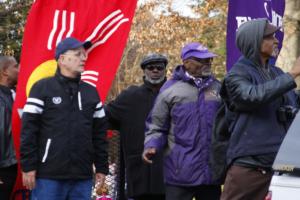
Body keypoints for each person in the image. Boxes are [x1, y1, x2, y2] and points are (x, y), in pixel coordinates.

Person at [220, 19, 300, 200]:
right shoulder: (236, 75)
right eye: (270, 36)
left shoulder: (276, 73)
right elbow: (251, 96)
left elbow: (293, 102)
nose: (276, 40)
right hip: (249, 168)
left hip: (280, 167)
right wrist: (293, 73)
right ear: (254, 41)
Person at [20, 37, 108, 200]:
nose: (84, 58)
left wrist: (102, 167)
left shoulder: (91, 92)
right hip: (48, 176)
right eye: (78, 54)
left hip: (82, 176)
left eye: (84, 54)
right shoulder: (41, 88)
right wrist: (28, 166)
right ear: (62, 59)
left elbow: (99, 134)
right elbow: (28, 130)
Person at [143, 42, 222, 200]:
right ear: (186, 63)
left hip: (211, 174)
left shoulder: (218, 87)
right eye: (202, 60)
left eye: (209, 60)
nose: (208, 63)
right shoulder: (169, 90)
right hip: (179, 173)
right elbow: (156, 125)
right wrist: (151, 145)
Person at [105, 53, 167, 200]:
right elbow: (105, 117)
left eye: (159, 67)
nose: (155, 70)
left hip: (169, 173)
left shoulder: (174, 94)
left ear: (165, 70)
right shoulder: (130, 97)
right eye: (150, 67)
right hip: (139, 174)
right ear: (144, 71)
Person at [0, 56, 19, 200]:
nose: (19, 70)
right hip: (4, 167)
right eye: (16, 66)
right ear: (5, 72)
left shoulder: (19, 95)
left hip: (19, 165)